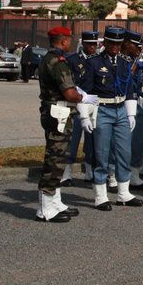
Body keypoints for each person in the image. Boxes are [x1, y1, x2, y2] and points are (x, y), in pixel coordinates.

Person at [82, 26, 143, 210]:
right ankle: (100, 195)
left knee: (124, 152)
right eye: (111, 43)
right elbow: (85, 91)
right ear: (104, 43)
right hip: (102, 109)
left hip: (121, 109)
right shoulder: (93, 62)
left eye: (118, 44)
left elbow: (130, 89)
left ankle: (123, 192)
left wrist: (131, 113)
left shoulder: (125, 62)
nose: (115, 47)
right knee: (102, 153)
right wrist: (85, 115)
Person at [35, 26, 92, 223]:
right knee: (54, 159)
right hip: (58, 113)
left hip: (57, 112)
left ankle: (55, 201)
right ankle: (45, 209)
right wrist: (83, 97)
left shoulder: (50, 58)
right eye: (69, 39)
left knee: (58, 158)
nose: (71, 41)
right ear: (63, 41)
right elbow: (70, 93)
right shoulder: (58, 62)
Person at [61, 31, 99, 186]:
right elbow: (69, 81)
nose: (92, 47)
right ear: (83, 44)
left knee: (92, 140)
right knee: (72, 139)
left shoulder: (98, 60)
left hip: (93, 104)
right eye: (89, 44)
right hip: (76, 104)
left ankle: (89, 171)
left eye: (94, 44)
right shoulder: (72, 59)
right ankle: (66, 173)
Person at [123, 31, 143, 192]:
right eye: (137, 45)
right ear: (127, 43)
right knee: (129, 141)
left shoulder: (136, 61)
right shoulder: (121, 61)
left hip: (135, 101)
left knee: (142, 138)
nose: (140, 49)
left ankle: (138, 171)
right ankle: (124, 175)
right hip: (121, 103)